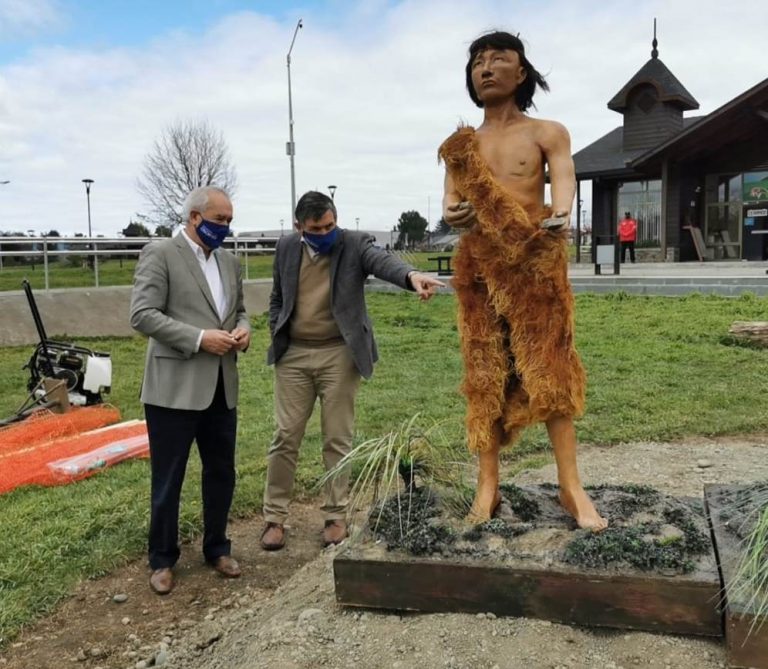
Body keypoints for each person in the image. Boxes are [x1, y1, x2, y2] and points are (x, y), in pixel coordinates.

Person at [439, 31, 607, 530]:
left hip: (535, 264)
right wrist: (454, 213)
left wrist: (561, 211)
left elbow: (564, 179)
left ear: (522, 72)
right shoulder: (459, 147)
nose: (485, 68)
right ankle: (486, 486)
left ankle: (570, 486)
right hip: (480, 271)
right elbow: (450, 200)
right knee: (484, 375)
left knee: (552, 371)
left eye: (498, 59)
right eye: (477, 62)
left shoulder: (547, 132)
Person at [261, 191, 445, 550]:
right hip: (294, 356)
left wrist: (411, 277)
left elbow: (383, 262)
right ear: (300, 227)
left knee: (337, 438)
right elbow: (277, 298)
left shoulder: (354, 244)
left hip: (339, 355)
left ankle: (335, 514)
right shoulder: (285, 249)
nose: (326, 232)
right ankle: (274, 517)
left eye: (331, 224)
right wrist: (275, 327)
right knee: (285, 437)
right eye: (317, 228)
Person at [130, 186, 251, 594]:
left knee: (222, 474)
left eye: (230, 221)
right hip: (173, 390)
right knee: (169, 478)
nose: (226, 228)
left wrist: (243, 329)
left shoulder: (230, 262)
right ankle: (162, 559)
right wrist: (200, 338)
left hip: (221, 387)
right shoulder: (161, 253)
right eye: (220, 220)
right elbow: (142, 314)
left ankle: (217, 547)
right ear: (195, 217)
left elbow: (240, 310)